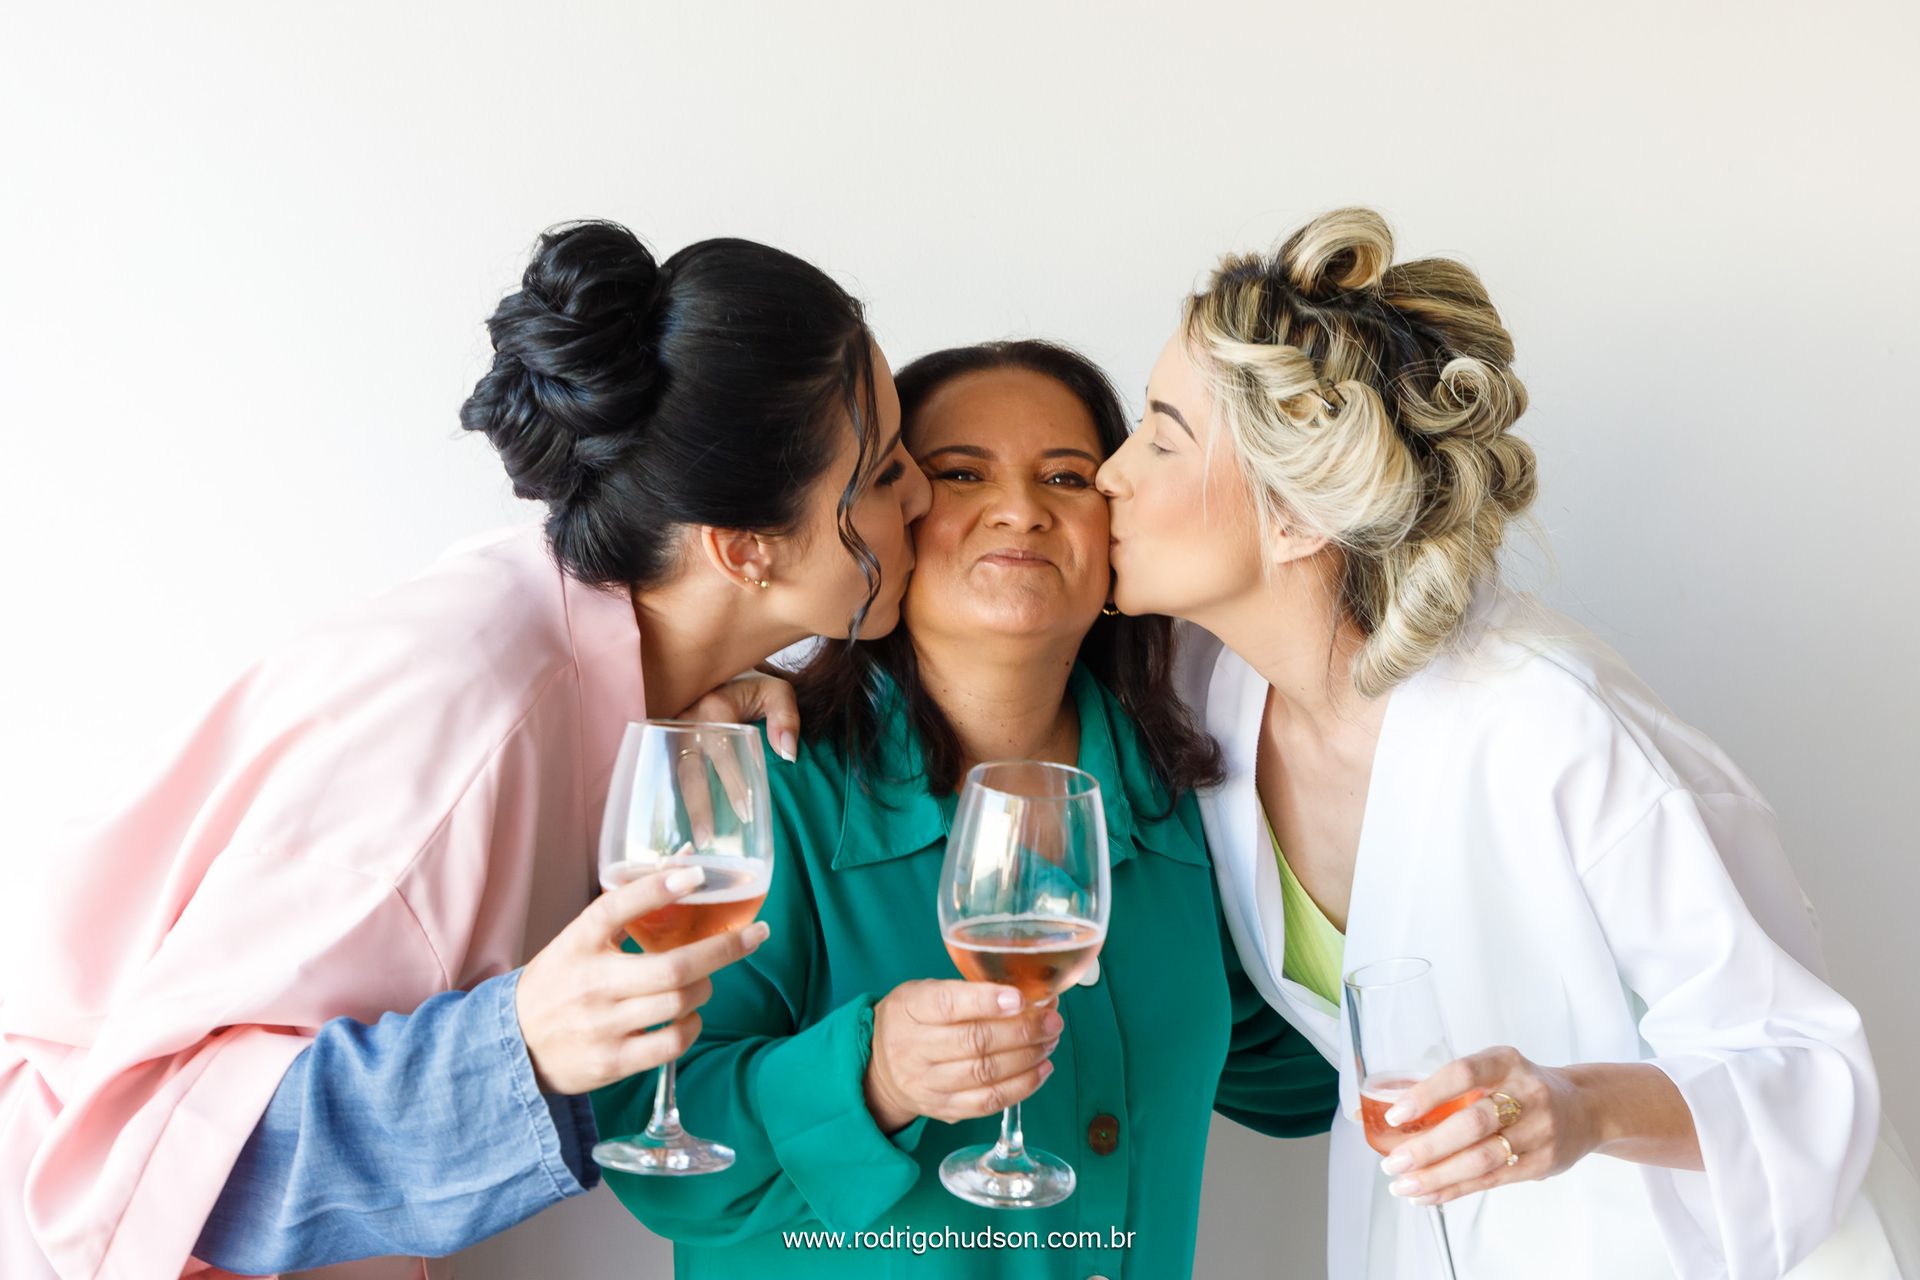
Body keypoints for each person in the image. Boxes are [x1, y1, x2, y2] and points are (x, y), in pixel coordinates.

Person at [0, 221, 931, 1278]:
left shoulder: (601, 653)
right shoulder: (462, 722)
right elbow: (149, 1153)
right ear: (745, 548)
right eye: (887, 472)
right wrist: (521, 1047)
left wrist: (676, 721)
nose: (925, 499)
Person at [1093, 206, 1920, 1278]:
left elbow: (1801, 1064)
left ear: (1295, 515)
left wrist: (1575, 1105)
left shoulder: (1552, 724)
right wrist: (795, 676)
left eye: (1162, 436)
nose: (1110, 471)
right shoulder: (1211, 696)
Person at [593, 340, 1339, 1278]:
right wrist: (874, 1078)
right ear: (888, 517)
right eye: (958, 473)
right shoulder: (763, 785)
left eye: (1066, 476)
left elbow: (1305, 1082)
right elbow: (655, 1158)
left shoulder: (1184, 802)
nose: (1020, 509)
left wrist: (1327, 790)